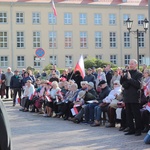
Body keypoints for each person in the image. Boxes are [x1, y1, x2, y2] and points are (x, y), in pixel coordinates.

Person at [120, 59, 143, 136]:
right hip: (127, 97)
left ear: (136, 65)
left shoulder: (139, 74)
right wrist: (122, 77)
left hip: (134, 97)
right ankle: (131, 129)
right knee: (128, 114)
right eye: (130, 64)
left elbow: (138, 85)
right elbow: (123, 84)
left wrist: (130, 79)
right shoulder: (128, 73)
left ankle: (138, 130)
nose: (130, 65)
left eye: (132, 64)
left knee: (136, 114)